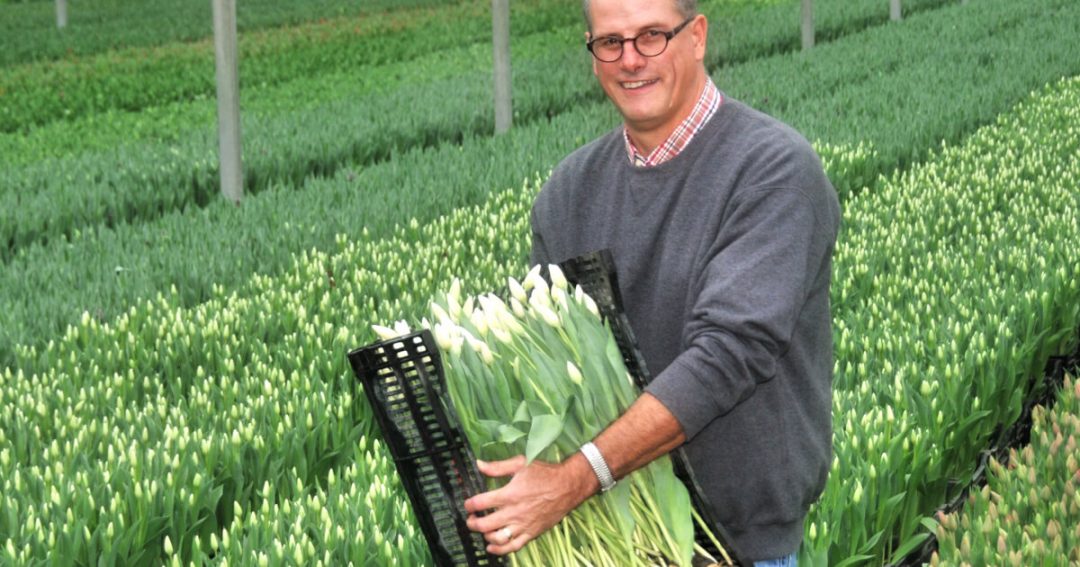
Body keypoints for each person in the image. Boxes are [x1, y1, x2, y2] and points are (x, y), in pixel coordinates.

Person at [464, 0, 839, 563]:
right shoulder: (570, 191)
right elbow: (543, 359)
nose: (631, 60)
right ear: (592, 55)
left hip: (735, 545)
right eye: (611, 43)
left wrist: (573, 478)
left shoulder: (772, 170)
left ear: (698, 36)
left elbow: (727, 354)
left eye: (652, 36)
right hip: (607, 539)